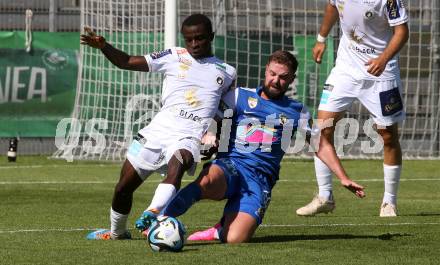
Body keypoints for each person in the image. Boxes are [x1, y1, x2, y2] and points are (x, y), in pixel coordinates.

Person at [143, 50, 365, 243]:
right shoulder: (239, 96)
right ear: (266, 70)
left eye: (283, 77)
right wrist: (209, 135)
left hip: (261, 178)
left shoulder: (297, 110)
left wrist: (343, 177)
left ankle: (219, 230)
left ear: (291, 80)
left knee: (236, 238)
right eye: (272, 74)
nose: (275, 80)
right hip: (232, 165)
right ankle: (161, 220)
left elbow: (321, 144)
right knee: (208, 179)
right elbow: (210, 118)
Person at [82, 14, 237, 240]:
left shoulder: (227, 72)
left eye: (200, 38)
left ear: (211, 37)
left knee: (179, 163)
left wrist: (218, 140)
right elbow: (126, 62)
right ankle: (117, 233)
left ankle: (153, 212)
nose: (194, 44)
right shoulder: (174, 55)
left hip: (188, 136)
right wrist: (104, 46)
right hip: (157, 132)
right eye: (189, 39)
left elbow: (227, 112)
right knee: (123, 188)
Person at [296, 0, 409, 217]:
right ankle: (325, 196)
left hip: (381, 72)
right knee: (321, 129)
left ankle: (389, 202)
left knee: (387, 135)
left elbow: (401, 32)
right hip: (346, 70)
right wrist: (321, 38)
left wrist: (384, 59)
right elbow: (332, 6)